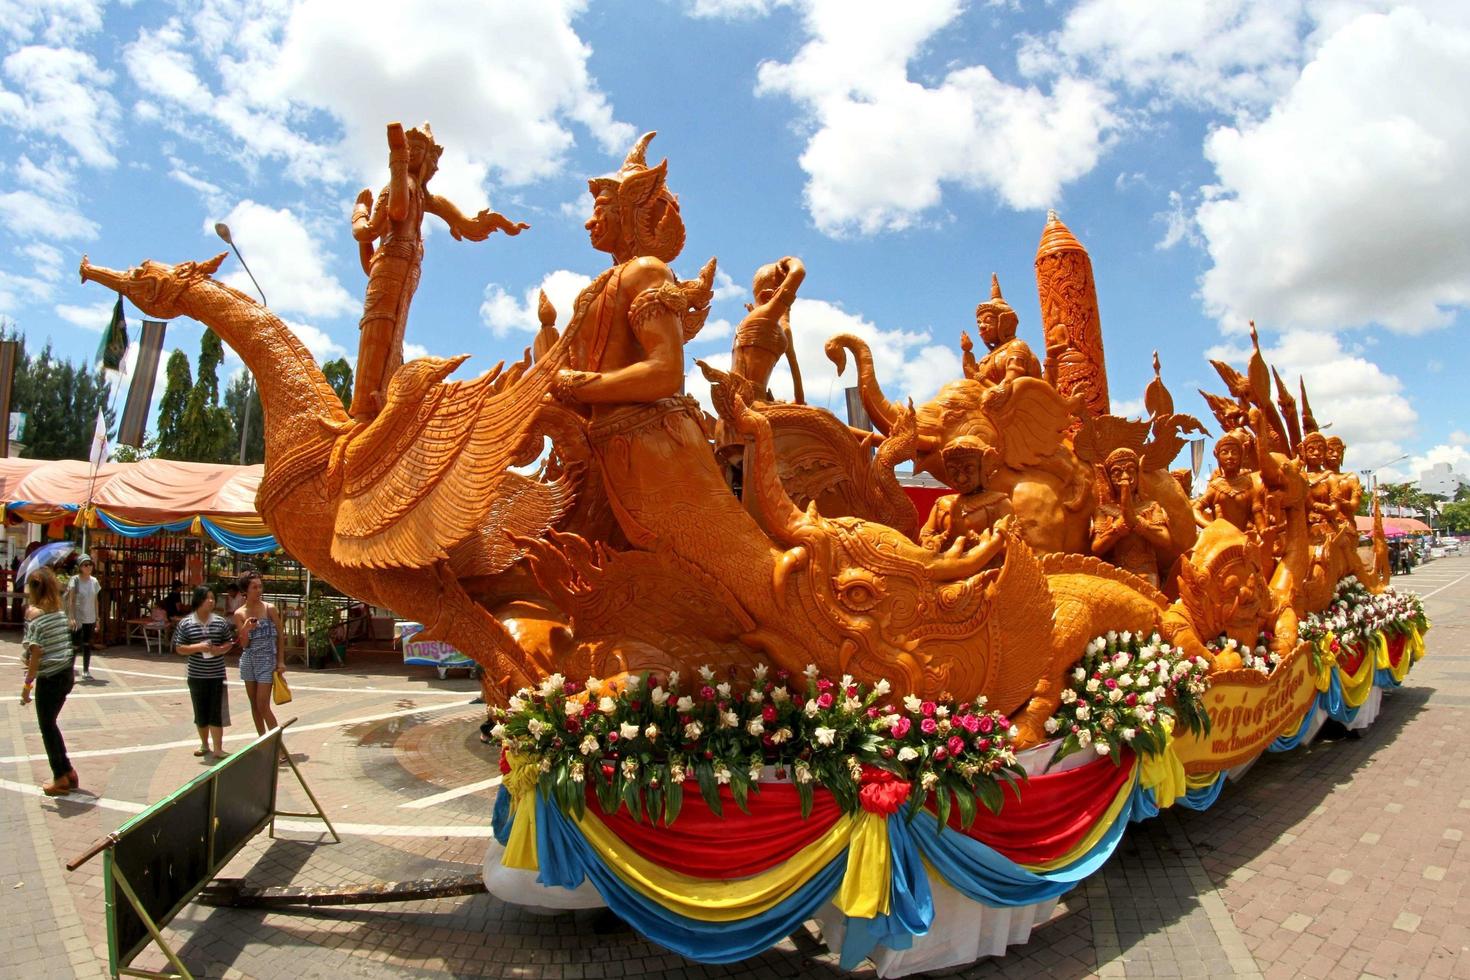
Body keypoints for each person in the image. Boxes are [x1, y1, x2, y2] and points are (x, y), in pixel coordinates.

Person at [349, 121, 527, 421]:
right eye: (417, 152)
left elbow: (467, 224)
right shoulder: (398, 188)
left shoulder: (419, 194)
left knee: (390, 334)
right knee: (377, 330)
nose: (427, 163)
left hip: (403, 270)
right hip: (390, 267)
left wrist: (498, 222)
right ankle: (363, 412)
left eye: (429, 156)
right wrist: (361, 209)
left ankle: (376, 407)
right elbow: (374, 228)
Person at [19, 567, 78, 796]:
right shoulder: (59, 615)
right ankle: (68, 771)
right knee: (51, 724)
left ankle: (60, 777)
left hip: (50, 678)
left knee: (47, 727)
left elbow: (35, 655)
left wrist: (26, 686)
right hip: (66, 674)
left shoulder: (35, 618)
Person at [173, 586, 235, 759]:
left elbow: (229, 643)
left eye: (213, 598)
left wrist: (219, 649)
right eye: (207, 598)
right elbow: (179, 648)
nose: (211, 601)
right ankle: (204, 744)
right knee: (200, 710)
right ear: (198, 600)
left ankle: (218, 748)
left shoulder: (220, 622)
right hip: (196, 674)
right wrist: (198, 647)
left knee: (215, 711)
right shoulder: (186, 623)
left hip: (216, 674)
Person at [233, 571, 284, 736]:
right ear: (245, 591)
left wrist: (280, 661)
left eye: (260, 586)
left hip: (267, 660)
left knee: (263, 704)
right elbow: (244, 644)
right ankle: (262, 740)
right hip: (249, 660)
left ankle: (277, 744)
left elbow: (281, 636)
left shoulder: (270, 609)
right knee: (254, 704)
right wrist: (246, 629)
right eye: (254, 587)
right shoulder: (239, 613)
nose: (258, 590)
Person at [63, 554, 102, 681]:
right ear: (80, 567)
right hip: (78, 616)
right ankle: (70, 671)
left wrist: (97, 618)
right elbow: (71, 600)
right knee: (74, 645)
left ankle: (86, 670)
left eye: (90, 564)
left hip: (90, 617)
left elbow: (96, 601)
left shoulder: (94, 581)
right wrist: (71, 617)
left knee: (87, 644)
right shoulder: (75, 580)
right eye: (85, 565)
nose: (88, 567)